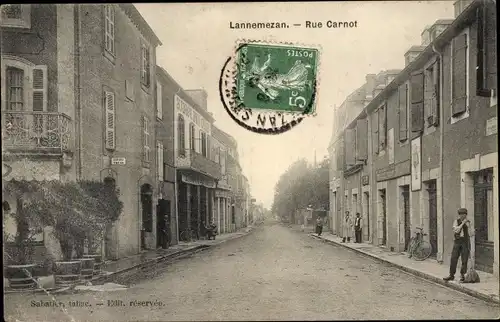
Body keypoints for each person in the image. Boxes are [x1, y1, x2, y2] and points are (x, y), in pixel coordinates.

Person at [443, 208, 471, 282]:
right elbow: (456, 230)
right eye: (461, 214)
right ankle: (451, 275)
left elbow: (471, 233)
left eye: (464, 214)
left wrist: (467, 224)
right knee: (453, 258)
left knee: (464, 259)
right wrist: (462, 223)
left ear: (466, 215)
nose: (462, 216)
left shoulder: (468, 222)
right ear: (459, 215)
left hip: (465, 242)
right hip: (457, 242)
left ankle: (463, 275)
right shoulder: (456, 221)